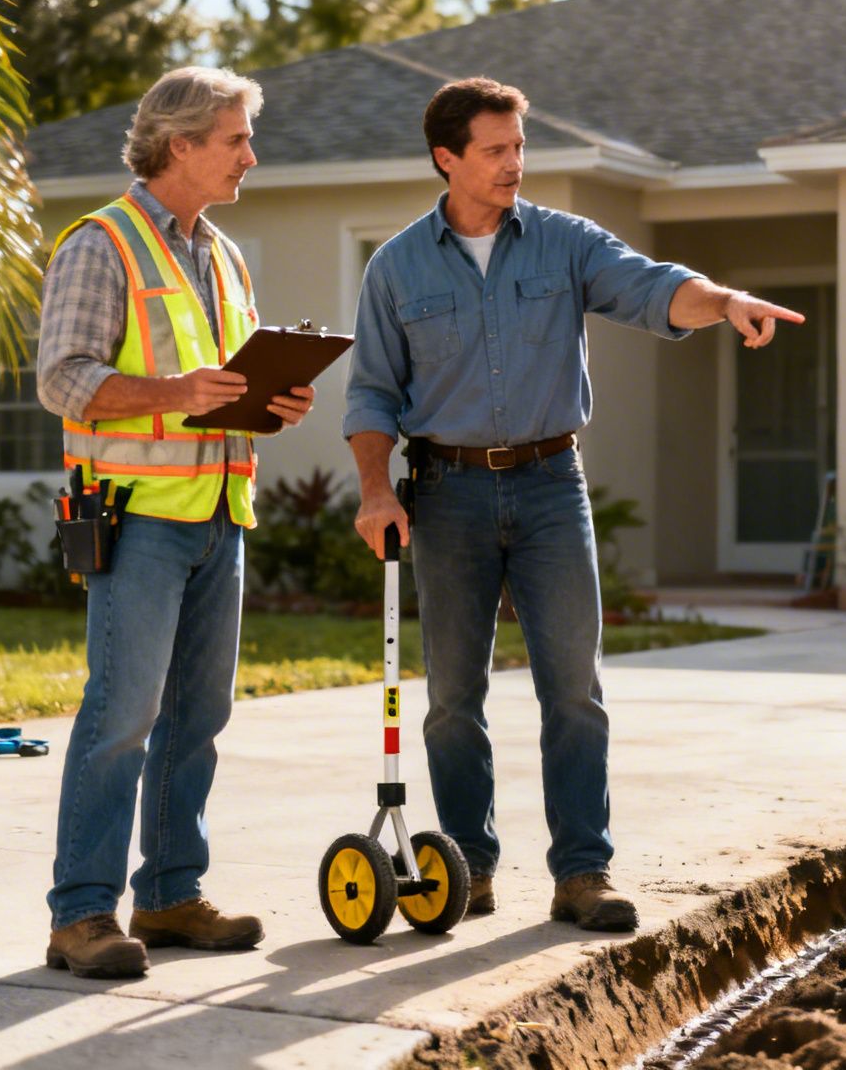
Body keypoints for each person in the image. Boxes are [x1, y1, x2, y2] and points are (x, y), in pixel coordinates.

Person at [343, 77, 804, 932]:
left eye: (520, 147)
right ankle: (467, 867)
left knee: (575, 689)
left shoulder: (562, 242)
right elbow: (371, 394)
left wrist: (726, 301)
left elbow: (656, 286)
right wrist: (376, 492)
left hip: (552, 485)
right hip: (445, 491)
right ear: (447, 158)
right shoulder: (396, 266)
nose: (515, 163)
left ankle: (582, 872)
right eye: (496, 149)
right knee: (450, 695)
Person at [36, 66, 315, 978]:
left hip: (218, 515)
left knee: (199, 715)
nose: (250, 156)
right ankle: (81, 915)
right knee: (122, 713)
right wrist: (175, 393)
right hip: (137, 519)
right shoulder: (100, 245)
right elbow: (62, 380)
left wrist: (269, 401)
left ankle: (169, 896)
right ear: (179, 144)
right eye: (235, 140)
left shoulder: (224, 255)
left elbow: (219, 387)